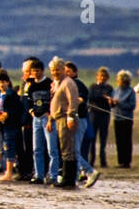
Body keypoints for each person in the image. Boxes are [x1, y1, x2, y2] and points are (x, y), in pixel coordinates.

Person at [47, 57, 79, 189]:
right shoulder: (58, 83)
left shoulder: (68, 83)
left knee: (67, 149)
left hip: (65, 119)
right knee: (64, 148)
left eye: (57, 70)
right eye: (53, 70)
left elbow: (73, 101)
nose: (55, 72)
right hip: (58, 118)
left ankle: (68, 179)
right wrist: (50, 119)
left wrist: (71, 117)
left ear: (63, 69)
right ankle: (67, 178)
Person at [65, 62, 99, 187]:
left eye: (68, 71)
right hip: (73, 120)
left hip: (79, 120)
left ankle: (90, 171)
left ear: (75, 72)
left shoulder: (78, 84)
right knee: (73, 150)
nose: (66, 73)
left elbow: (81, 100)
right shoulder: (67, 84)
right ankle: (75, 176)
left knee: (74, 150)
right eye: (65, 71)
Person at [21, 57, 52, 183]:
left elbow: (53, 99)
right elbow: (28, 101)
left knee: (51, 148)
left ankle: (51, 174)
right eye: (33, 71)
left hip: (47, 118)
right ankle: (39, 175)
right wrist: (31, 111)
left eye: (37, 71)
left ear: (42, 71)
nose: (35, 73)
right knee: (37, 148)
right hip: (35, 119)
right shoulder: (31, 86)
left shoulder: (49, 83)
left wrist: (49, 113)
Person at [0, 70, 24, 182]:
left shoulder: (12, 95)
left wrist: (8, 114)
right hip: (2, 125)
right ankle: (9, 170)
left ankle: (9, 173)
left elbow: (19, 109)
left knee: (9, 147)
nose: (1, 85)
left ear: (8, 82)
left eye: (4, 82)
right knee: (4, 147)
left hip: (11, 125)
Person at [87, 67, 113, 168]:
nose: (102, 78)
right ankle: (91, 160)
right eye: (101, 76)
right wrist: (104, 96)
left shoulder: (109, 88)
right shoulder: (92, 87)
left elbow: (111, 99)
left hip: (105, 115)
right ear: (97, 76)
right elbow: (92, 96)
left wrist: (110, 100)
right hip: (94, 114)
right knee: (92, 138)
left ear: (107, 78)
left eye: (104, 76)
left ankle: (103, 161)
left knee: (103, 139)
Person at [110, 71, 134, 168]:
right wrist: (111, 102)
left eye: (119, 80)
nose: (117, 81)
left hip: (127, 119)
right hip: (117, 118)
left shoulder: (130, 91)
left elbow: (132, 105)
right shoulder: (115, 91)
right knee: (119, 140)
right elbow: (112, 104)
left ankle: (127, 161)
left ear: (125, 81)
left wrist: (119, 103)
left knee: (126, 140)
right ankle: (120, 161)